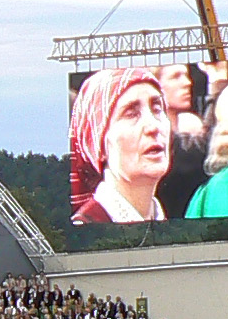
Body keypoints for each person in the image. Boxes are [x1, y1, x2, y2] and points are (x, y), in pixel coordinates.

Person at [70, 66, 173, 223]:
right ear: (100, 145)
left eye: (157, 109)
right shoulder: (86, 227)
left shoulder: (164, 221)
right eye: (131, 114)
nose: (154, 127)